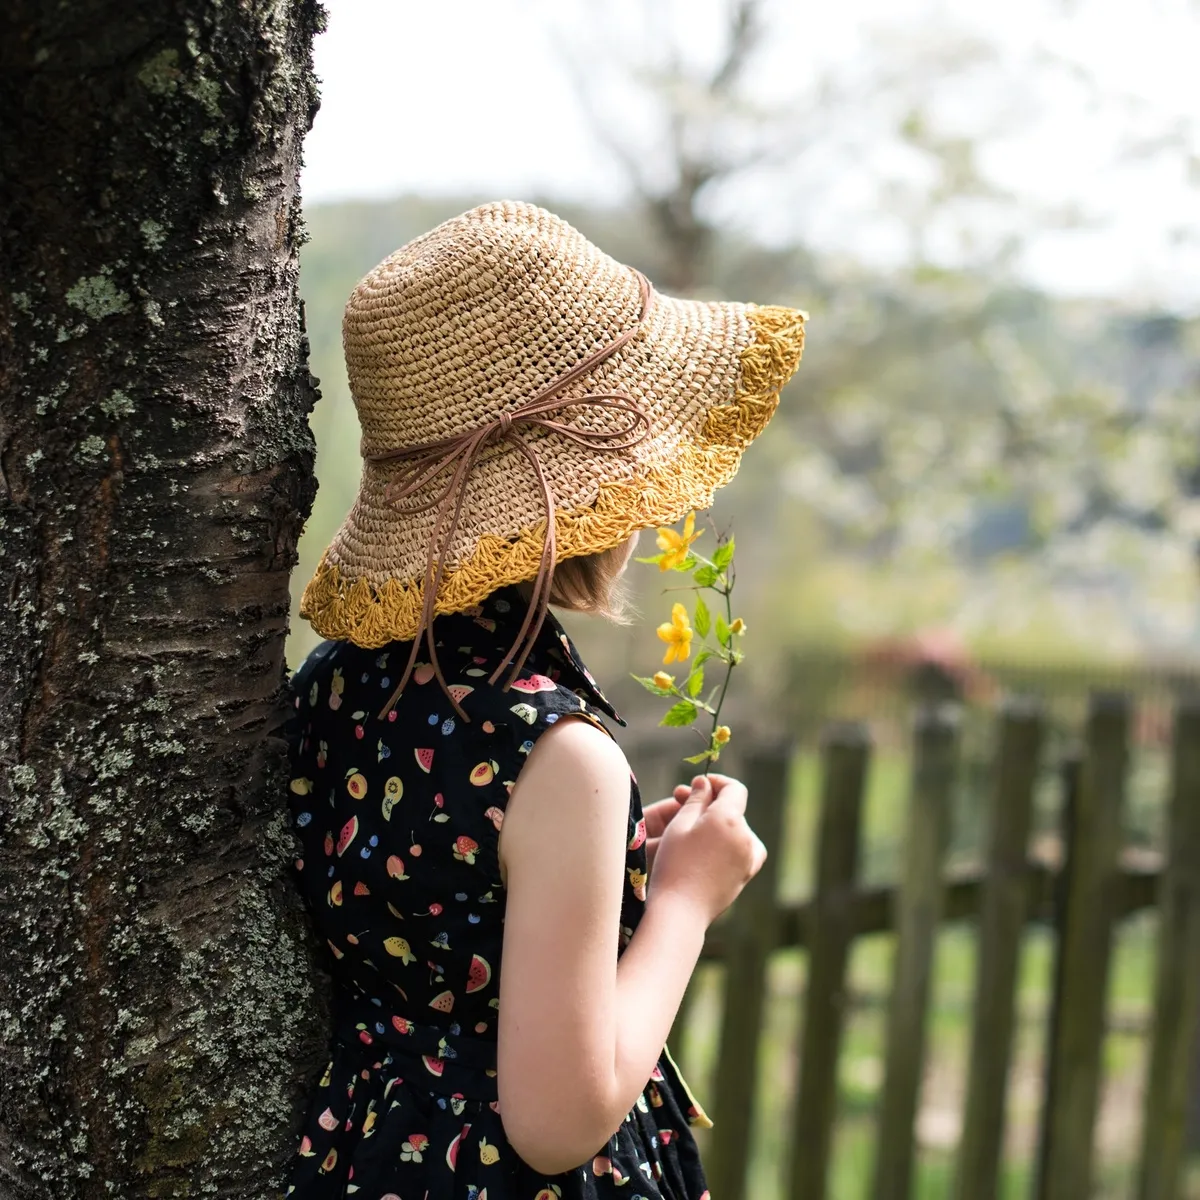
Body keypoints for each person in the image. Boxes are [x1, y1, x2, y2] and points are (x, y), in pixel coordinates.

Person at [283, 200, 806, 1199]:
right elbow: (561, 1120)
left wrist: (617, 875)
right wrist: (690, 901)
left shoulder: (342, 682)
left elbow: (439, 915)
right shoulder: (558, 755)